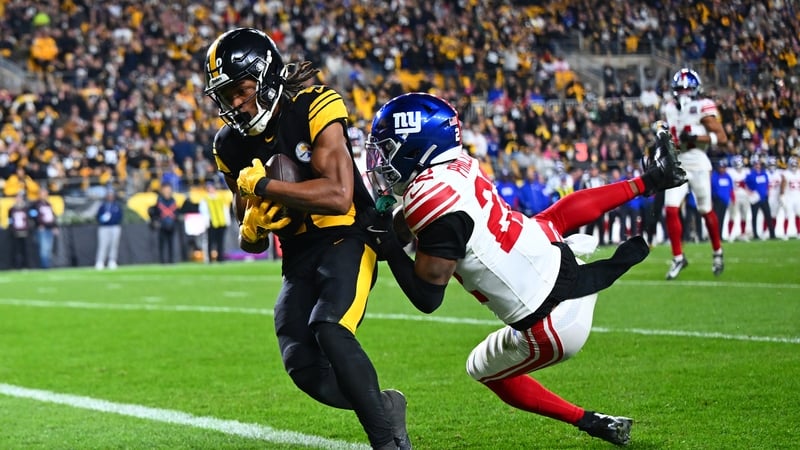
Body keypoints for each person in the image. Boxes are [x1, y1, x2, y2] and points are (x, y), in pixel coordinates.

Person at [364, 93, 687, 446]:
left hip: (553, 320)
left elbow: (427, 297)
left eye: (388, 148)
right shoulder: (458, 166)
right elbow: (418, 221)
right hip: (556, 258)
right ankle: (649, 180)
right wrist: (387, 227)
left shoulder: (432, 200)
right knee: (551, 219)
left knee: (480, 367)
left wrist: (390, 247)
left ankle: (591, 422)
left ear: (418, 146)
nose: (380, 159)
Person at [202, 28, 410, 450]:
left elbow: (337, 195)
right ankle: (384, 407)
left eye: (241, 90)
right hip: (296, 254)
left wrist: (266, 189)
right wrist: (252, 226)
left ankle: (387, 443)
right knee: (301, 362)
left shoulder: (314, 104)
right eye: (227, 97)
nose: (237, 104)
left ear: (265, 75)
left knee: (329, 326)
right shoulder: (228, 144)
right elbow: (252, 241)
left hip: (348, 235)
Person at [660, 68, 726, 279]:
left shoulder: (703, 106)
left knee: (706, 210)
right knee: (670, 210)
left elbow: (722, 137)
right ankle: (678, 257)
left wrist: (697, 138)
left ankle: (717, 252)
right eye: (680, 89)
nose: (684, 93)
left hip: (698, 162)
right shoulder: (669, 108)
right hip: (678, 163)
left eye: (688, 89)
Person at [199, 181, 232, 262]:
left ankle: (220, 258)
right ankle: (209, 259)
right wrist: (206, 222)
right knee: (210, 241)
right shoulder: (205, 199)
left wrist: (227, 221)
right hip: (211, 223)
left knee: (220, 241)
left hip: (221, 222)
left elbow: (225, 210)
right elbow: (204, 211)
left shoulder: (220, 198)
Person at [745, 158, 776, 240]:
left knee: (768, 216)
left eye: (759, 164)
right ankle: (755, 234)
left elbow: (767, 184)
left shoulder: (764, 174)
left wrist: (768, 191)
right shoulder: (750, 175)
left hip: (763, 198)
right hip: (755, 198)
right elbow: (745, 185)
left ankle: (772, 234)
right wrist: (750, 192)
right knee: (754, 216)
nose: (758, 166)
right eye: (756, 164)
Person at [29, 187, 59, 269]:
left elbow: (52, 216)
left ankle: (48, 265)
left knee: (49, 248)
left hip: (50, 228)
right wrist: (38, 224)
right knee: (44, 248)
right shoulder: (35, 204)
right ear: (39, 194)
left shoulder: (48, 204)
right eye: (43, 194)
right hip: (42, 229)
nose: (45, 195)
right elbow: (32, 215)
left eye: (46, 194)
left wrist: (54, 226)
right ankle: (44, 266)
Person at [149, 183, 179, 264]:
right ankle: (162, 261)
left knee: (171, 244)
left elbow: (176, 212)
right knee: (162, 244)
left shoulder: (173, 200)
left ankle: (171, 260)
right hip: (162, 225)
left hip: (171, 225)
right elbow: (155, 212)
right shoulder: (159, 201)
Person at [95, 188, 124, 270]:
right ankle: (100, 261)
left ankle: (112, 261)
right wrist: (103, 219)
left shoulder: (117, 205)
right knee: (103, 245)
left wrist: (114, 220)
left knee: (114, 245)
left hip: (114, 226)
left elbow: (120, 216)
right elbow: (98, 216)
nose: (110, 197)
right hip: (104, 227)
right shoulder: (103, 206)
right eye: (109, 195)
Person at [711, 159, 734, 239]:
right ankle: (714, 236)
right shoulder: (715, 176)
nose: (722, 169)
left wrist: (731, 198)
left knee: (721, 219)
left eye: (724, 167)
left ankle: (719, 236)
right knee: (716, 220)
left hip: (725, 201)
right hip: (717, 200)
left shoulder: (728, 176)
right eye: (721, 167)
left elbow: (731, 188)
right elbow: (713, 188)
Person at [7, 192, 31, 269]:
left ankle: (25, 265)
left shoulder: (26, 208)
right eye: (17, 198)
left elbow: (29, 219)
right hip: (16, 231)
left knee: (24, 249)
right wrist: (12, 229)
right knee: (16, 250)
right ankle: (17, 265)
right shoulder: (12, 209)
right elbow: (10, 220)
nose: (18, 199)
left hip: (24, 231)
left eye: (19, 198)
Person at [781, 157, 800, 238]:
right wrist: (782, 195)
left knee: (798, 215)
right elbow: (783, 185)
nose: (794, 166)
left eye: (795, 164)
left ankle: (798, 232)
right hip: (789, 197)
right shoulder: (786, 173)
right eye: (792, 164)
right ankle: (785, 233)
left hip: (798, 197)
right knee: (787, 215)